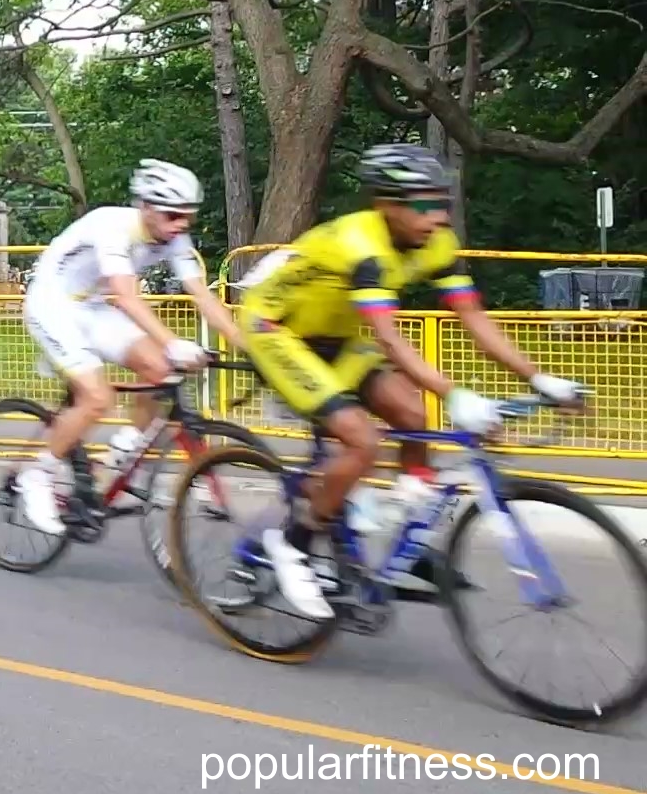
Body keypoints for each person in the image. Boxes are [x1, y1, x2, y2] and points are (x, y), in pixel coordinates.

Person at [239, 143, 584, 619]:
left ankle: (408, 535)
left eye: (441, 202)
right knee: (362, 442)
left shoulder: (437, 242)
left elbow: (474, 319)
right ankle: (292, 544)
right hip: (276, 330)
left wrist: (540, 378)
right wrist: (456, 394)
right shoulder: (363, 246)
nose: (437, 216)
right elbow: (392, 340)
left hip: (336, 337)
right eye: (423, 205)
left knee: (412, 413)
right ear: (386, 205)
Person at [16, 159, 245, 537]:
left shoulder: (175, 237)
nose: (181, 225)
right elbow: (125, 296)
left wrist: (246, 344)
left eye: (188, 216)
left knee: (160, 371)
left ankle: (123, 451)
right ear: (146, 208)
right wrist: (172, 342)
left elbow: (202, 296)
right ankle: (36, 475)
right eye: (172, 215)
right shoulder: (113, 226)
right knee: (97, 398)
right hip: (54, 303)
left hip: (94, 307)